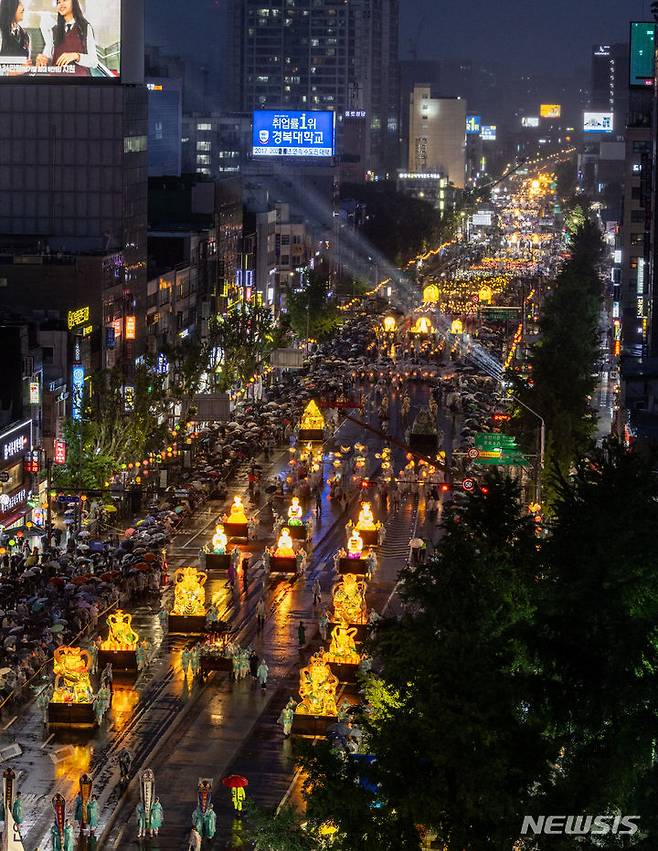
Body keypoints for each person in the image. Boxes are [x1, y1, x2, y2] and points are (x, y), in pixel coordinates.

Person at [39, 0, 99, 77]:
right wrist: (43, 59)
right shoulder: (54, 30)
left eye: (64, 0)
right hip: (56, 82)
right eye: (59, 2)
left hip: (79, 82)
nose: (61, 4)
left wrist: (76, 56)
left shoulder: (85, 28)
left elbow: (94, 62)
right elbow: (49, 56)